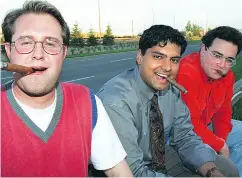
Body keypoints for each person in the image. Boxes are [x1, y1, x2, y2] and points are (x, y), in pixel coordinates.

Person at [1, 1, 133, 177]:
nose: (38, 54)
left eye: (50, 43)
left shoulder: (87, 101)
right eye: (26, 42)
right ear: (9, 51)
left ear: (64, 53)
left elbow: (119, 173)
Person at [97, 25, 239, 177]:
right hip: (126, 169)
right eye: (158, 57)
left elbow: (185, 137)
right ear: (140, 56)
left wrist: (212, 172)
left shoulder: (170, 89)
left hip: (158, 156)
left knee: (227, 170)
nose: (167, 67)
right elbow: (132, 171)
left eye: (174, 60)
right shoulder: (117, 102)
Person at [177, 26, 242, 176]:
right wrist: (220, 145)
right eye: (217, 55)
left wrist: (221, 142)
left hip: (204, 126)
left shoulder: (227, 76)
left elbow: (223, 113)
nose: (222, 64)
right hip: (181, 135)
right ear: (203, 49)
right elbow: (189, 124)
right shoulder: (187, 73)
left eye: (229, 59)